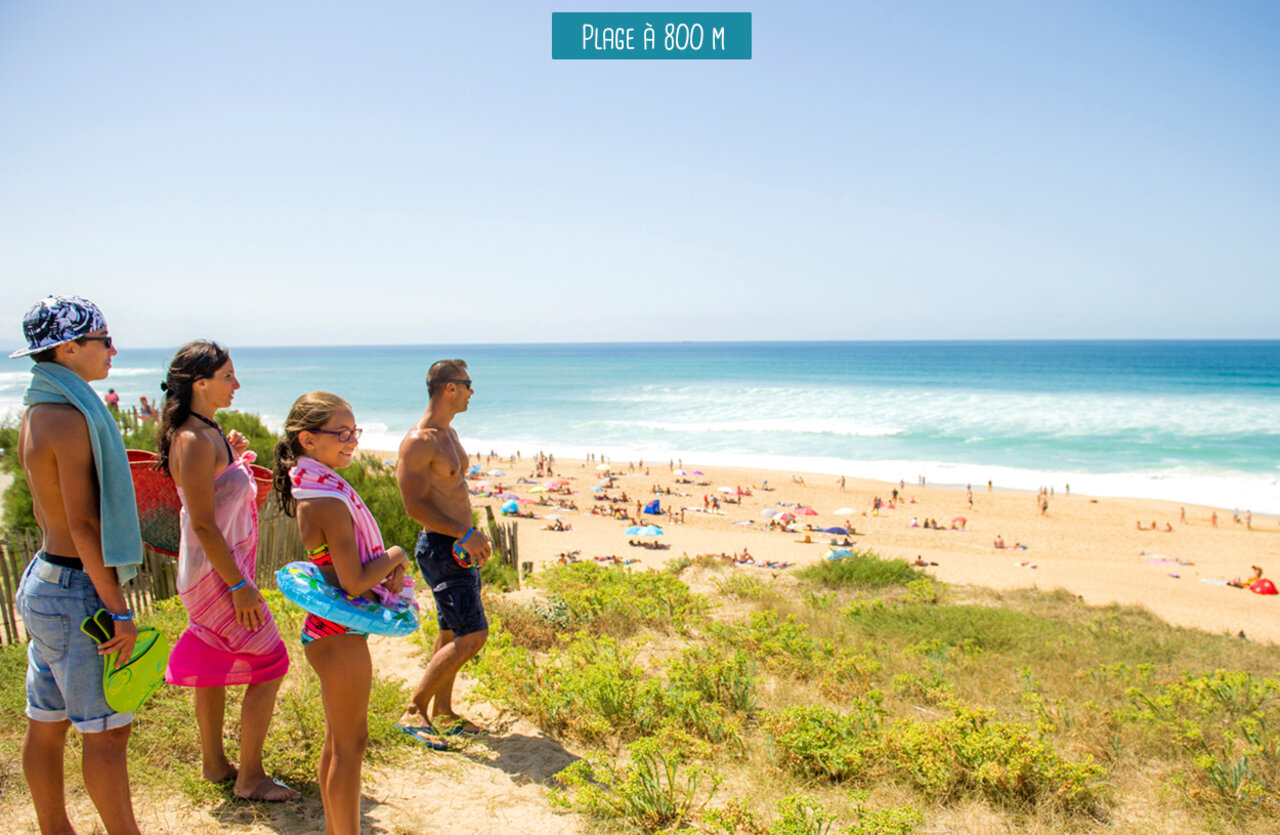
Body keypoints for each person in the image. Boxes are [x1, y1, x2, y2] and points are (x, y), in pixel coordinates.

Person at [11, 295, 144, 835]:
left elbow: (46, 512)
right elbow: (84, 525)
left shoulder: (37, 410)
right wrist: (119, 611)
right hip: (74, 588)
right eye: (103, 340)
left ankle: (54, 829)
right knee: (107, 733)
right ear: (68, 348)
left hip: (45, 579)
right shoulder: (68, 418)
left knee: (47, 723)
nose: (112, 350)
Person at [155, 341, 298, 802]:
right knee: (271, 662)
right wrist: (239, 586)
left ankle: (215, 764)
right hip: (216, 576)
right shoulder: (194, 439)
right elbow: (201, 522)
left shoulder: (206, 432)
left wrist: (231, 457)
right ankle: (250, 777)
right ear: (200, 384)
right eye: (227, 376)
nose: (236, 384)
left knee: (213, 663)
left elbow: (215, 495)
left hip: (212, 569)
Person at [274, 391, 410, 834]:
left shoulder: (313, 491)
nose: (352, 440)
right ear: (308, 439)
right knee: (351, 747)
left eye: (355, 431)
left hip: (328, 631)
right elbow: (352, 582)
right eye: (342, 433)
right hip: (338, 634)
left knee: (337, 744)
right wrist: (396, 553)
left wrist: (384, 568)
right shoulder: (327, 501)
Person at [397, 359, 492, 743]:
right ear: (449, 387)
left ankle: (444, 712)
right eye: (468, 384)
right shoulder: (419, 441)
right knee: (473, 635)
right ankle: (414, 710)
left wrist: (469, 536)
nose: (472, 391)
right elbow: (413, 506)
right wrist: (463, 532)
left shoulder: (449, 434)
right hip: (442, 547)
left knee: (450, 631)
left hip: (458, 545)